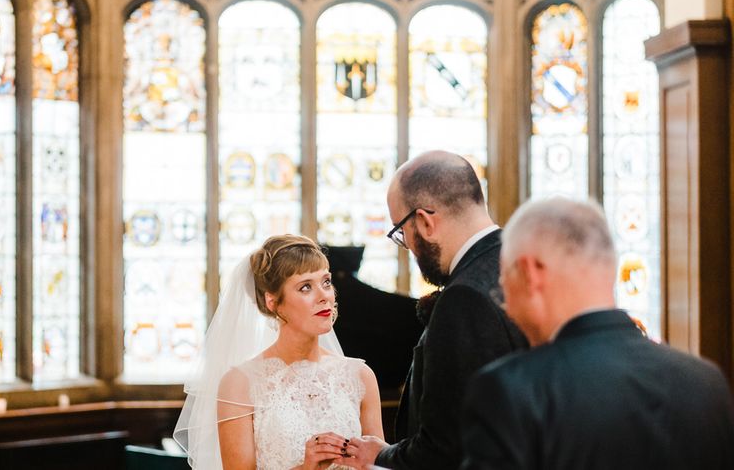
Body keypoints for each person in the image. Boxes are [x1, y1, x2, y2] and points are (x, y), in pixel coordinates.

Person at [460, 197, 734, 470]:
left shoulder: (513, 392)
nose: (507, 306)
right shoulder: (707, 384)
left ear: (530, 273)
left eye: (503, 285)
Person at [345, 151, 527, 470]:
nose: (409, 247)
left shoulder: (463, 300)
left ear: (426, 222)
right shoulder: (524, 267)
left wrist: (380, 455)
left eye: (401, 232)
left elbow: (446, 450)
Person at [174, 234, 384, 470]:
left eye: (326, 282)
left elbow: (379, 464)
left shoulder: (360, 376)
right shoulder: (239, 384)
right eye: (306, 287)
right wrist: (305, 468)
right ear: (272, 301)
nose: (324, 295)